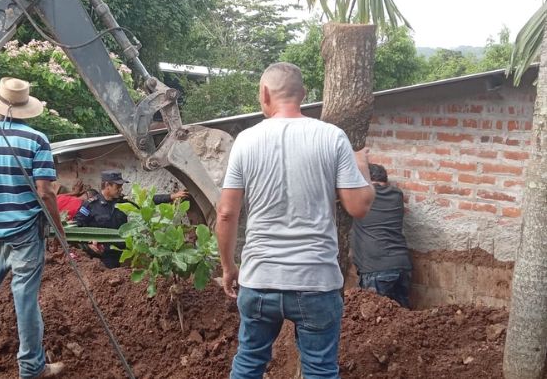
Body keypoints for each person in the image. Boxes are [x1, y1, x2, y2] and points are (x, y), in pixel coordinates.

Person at [215, 62, 375, 379]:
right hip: (316, 281)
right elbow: (358, 206)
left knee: (248, 363)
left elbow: (226, 213)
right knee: (319, 369)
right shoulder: (332, 137)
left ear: (264, 94)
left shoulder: (245, 141)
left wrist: (228, 266)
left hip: (259, 278)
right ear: (303, 95)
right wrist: (364, 169)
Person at [0, 77, 66, 378]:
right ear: (25, 107)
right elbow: (45, 192)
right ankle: (31, 368)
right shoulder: (37, 140)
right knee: (25, 298)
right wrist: (60, 231)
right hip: (25, 233)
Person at [75, 170, 189, 268]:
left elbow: (147, 201)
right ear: (107, 185)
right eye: (118, 186)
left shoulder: (123, 201)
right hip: (102, 256)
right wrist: (89, 242)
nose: (121, 189)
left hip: (123, 253)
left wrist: (171, 196)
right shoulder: (90, 205)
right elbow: (77, 227)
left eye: (121, 186)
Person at [351, 163, 412, 308]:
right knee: (402, 320)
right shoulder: (397, 195)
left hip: (375, 269)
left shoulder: (361, 197)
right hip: (402, 266)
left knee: (374, 322)